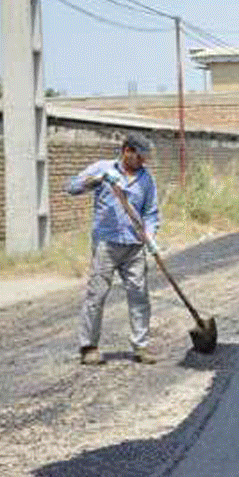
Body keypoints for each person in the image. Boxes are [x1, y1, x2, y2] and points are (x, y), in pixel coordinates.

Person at [66, 132, 159, 365]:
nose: (143, 162)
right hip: (106, 245)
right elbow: (72, 187)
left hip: (135, 246)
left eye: (145, 158)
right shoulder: (103, 168)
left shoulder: (146, 179)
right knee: (96, 295)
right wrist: (97, 180)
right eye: (139, 157)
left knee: (139, 296)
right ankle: (89, 347)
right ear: (127, 150)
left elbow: (151, 213)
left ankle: (141, 346)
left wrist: (150, 235)